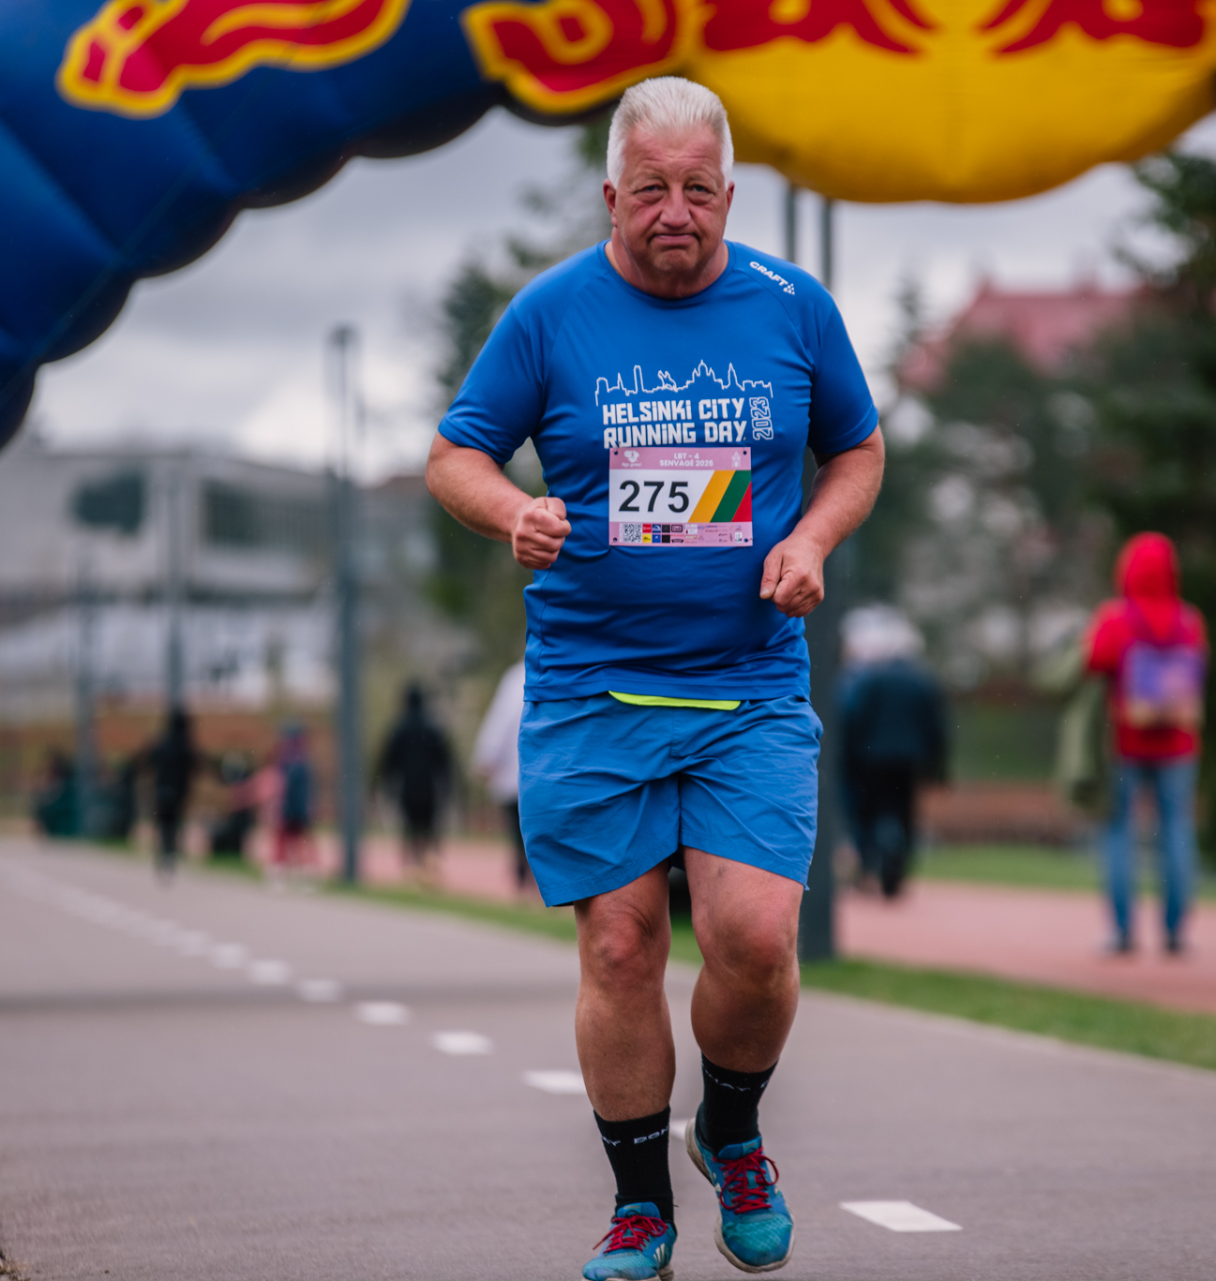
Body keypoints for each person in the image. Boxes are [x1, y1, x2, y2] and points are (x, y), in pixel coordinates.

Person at [426, 77, 884, 1281]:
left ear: (728, 192)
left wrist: (812, 541)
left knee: (757, 942)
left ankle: (729, 1131)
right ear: (610, 196)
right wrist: (512, 508)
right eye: (650, 191)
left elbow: (859, 447)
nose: (674, 212)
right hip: (590, 689)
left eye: (697, 190)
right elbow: (453, 451)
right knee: (622, 949)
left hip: (748, 689)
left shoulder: (793, 307)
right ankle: (640, 1208)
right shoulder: (550, 314)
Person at [1083, 532, 1208, 956]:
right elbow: (1199, 670)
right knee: (1177, 831)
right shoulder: (1189, 619)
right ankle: (1175, 932)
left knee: (1119, 833)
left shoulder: (1116, 618)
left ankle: (1122, 932)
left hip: (1125, 740)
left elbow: (1094, 660)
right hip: (1178, 743)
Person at [840, 613, 948, 899]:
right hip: (909, 761)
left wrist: (849, 758)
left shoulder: (872, 679)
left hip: (872, 760)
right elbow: (937, 727)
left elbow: (855, 719)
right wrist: (938, 768)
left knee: (870, 812)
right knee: (904, 813)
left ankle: (868, 866)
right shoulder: (923, 681)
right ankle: (896, 874)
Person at [377, 684, 455, 887]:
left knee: (409, 829)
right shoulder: (433, 728)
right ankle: (430, 869)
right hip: (429, 789)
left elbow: (387, 762)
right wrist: (448, 787)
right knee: (429, 829)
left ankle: (410, 870)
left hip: (407, 789)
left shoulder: (399, 729)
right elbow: (445, 761)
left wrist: (384, 785)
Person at [472, 662, 530, 890]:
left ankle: (522, 878)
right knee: (537, 832)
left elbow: (500, 721)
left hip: (515, 777)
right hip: (543, 774)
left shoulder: (516, 678)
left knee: (520, 833)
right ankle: (534, 879)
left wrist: (485, 758)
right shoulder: (560, 668)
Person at [144, 707, 201, 881]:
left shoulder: (162, 743)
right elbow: (196, 765)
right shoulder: (186, 745)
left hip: (162, 790)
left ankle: (164, 854)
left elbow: (149, 761)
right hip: (179, 793)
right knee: (174, 824)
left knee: (163, 824)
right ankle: (171, 855)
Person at [271, 725, 315, 879]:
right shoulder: (289, 760)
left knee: (295, 839)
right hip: (293, 805)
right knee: (289, 839)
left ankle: (301, 871)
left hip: (295, 806)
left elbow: (282, 785)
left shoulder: (296, 761)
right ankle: (291, 870)